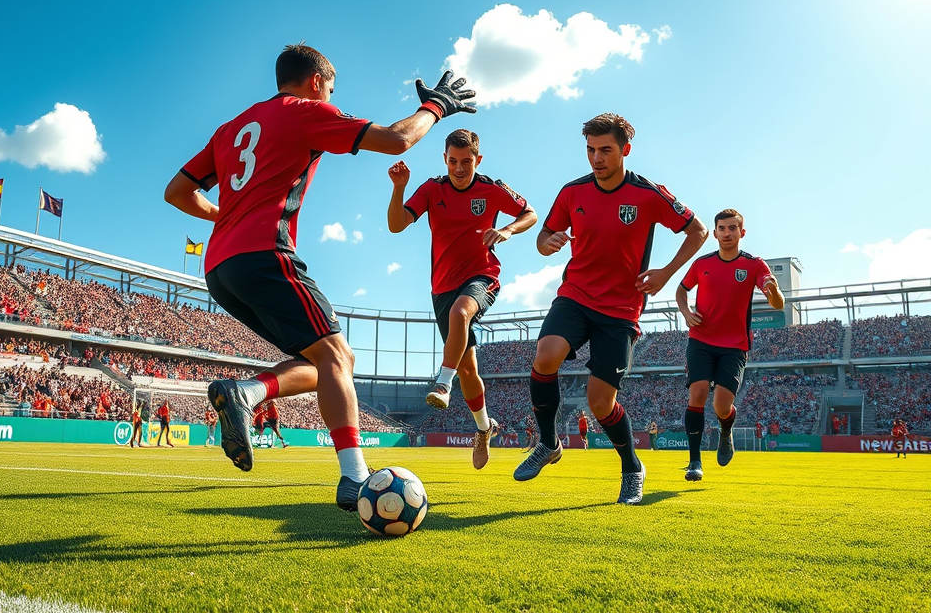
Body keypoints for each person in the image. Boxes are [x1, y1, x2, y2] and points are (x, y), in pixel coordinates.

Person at [164, 44, 476, 511]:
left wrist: (225, 217)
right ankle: (354, 478)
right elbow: (394, 139)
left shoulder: (230, 128)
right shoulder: (305, 111)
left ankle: (248, 392)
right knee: (337, 355)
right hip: (265, 253)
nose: (331, 96)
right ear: (316, 82)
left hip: (220, 268)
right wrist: (437, 107)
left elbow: (177, 191)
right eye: (330, 89)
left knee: (331, 363)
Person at [514, 113, 708, 505]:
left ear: (625, 151)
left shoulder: (649, 193)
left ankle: (632, 468)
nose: (596, 158)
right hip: (576, 294)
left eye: (605, 150)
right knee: (546, 355)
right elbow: (544, 234)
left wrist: (667, 272)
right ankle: (549, 443)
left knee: (600, 402)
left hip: (621, 309)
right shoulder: (572, 192)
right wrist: (546, 243)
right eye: (590, 150)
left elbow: (698, 230)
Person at [387, 129, 537, 469]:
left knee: (461, 311)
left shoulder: (492, 189)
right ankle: (484, 428)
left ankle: (441, 384)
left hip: (483, 277)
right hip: (441, 287)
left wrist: (507, 230)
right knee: (469, 370)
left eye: (466, 162)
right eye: (453, 161)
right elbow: (397, 225)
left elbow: (530, 213)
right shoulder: (430, 189)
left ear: (478, 160)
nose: (459, 168)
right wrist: (398, 189)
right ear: (445, 159)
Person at [676, 209, 784, 482]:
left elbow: (778, 304)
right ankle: (694, 461)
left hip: (734, 346)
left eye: (732, 228)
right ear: (714, 233)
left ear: (741, 233)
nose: (727, 233)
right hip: (700, 339)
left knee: (721, 406)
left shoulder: (754, 265)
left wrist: (773, 289)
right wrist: (686, 312)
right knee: (697, 393)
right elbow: (681, 289)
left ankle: (726, 429)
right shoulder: (702, 264)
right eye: (722, 228)